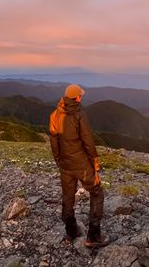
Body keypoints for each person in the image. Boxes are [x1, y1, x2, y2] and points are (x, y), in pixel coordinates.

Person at [49, 84, 107, 247]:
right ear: (78, 98)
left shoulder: (54, 115)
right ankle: (93, 236)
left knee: (68, 198)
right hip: (81, 164)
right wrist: (94, 162)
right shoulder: (79, 114)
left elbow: (54, 142)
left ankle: (70, 233)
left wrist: (59, 161)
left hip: (65, 165)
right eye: (80, 95)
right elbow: (88, 141)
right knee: (97, 192)